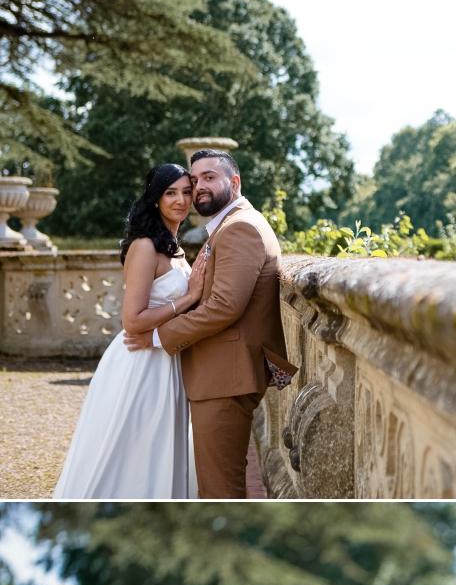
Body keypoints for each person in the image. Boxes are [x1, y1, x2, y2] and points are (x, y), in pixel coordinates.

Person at [128, 148, 289, 502]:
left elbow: (223, 307)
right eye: (195, 179)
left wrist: (157, 336)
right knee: (220, 487)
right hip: (219, 376)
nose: (198, 187)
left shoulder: (240, 228)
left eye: (209, 178)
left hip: (224, 379)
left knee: (219, 492)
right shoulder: (229, 226)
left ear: (234, 182)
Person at [54, 162, 202, 499]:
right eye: (170, 193)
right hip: (141, 361)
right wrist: (191, 296)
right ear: (155, 199)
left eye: (186, 192)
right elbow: (132, 320)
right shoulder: (145, 246)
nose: (180, 200)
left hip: (168, 357)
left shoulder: (174, 247)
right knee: (136, 443)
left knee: (164, 444)